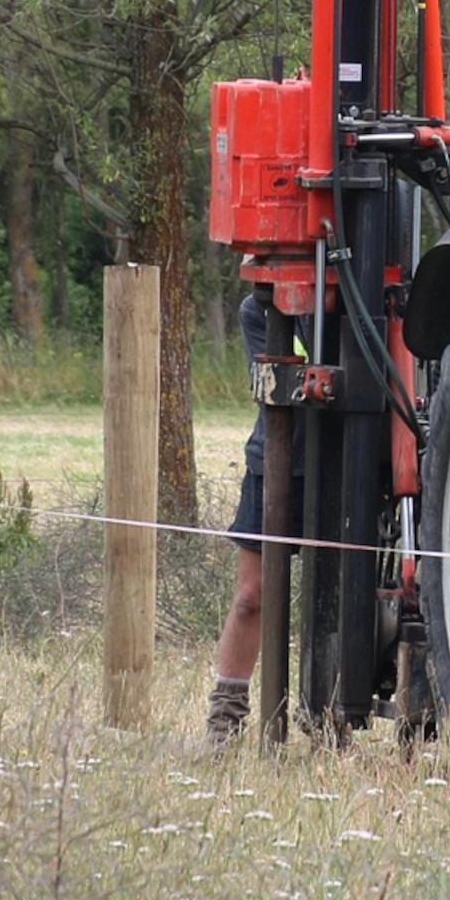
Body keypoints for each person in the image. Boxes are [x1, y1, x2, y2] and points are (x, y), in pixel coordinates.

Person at [205, 290, 284, 746]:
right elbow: (276, 392)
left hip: (346, 465)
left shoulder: (373, 307)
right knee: (250, 597)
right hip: (274, 460)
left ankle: (330, 722)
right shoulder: (258, 309)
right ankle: (225, 722)